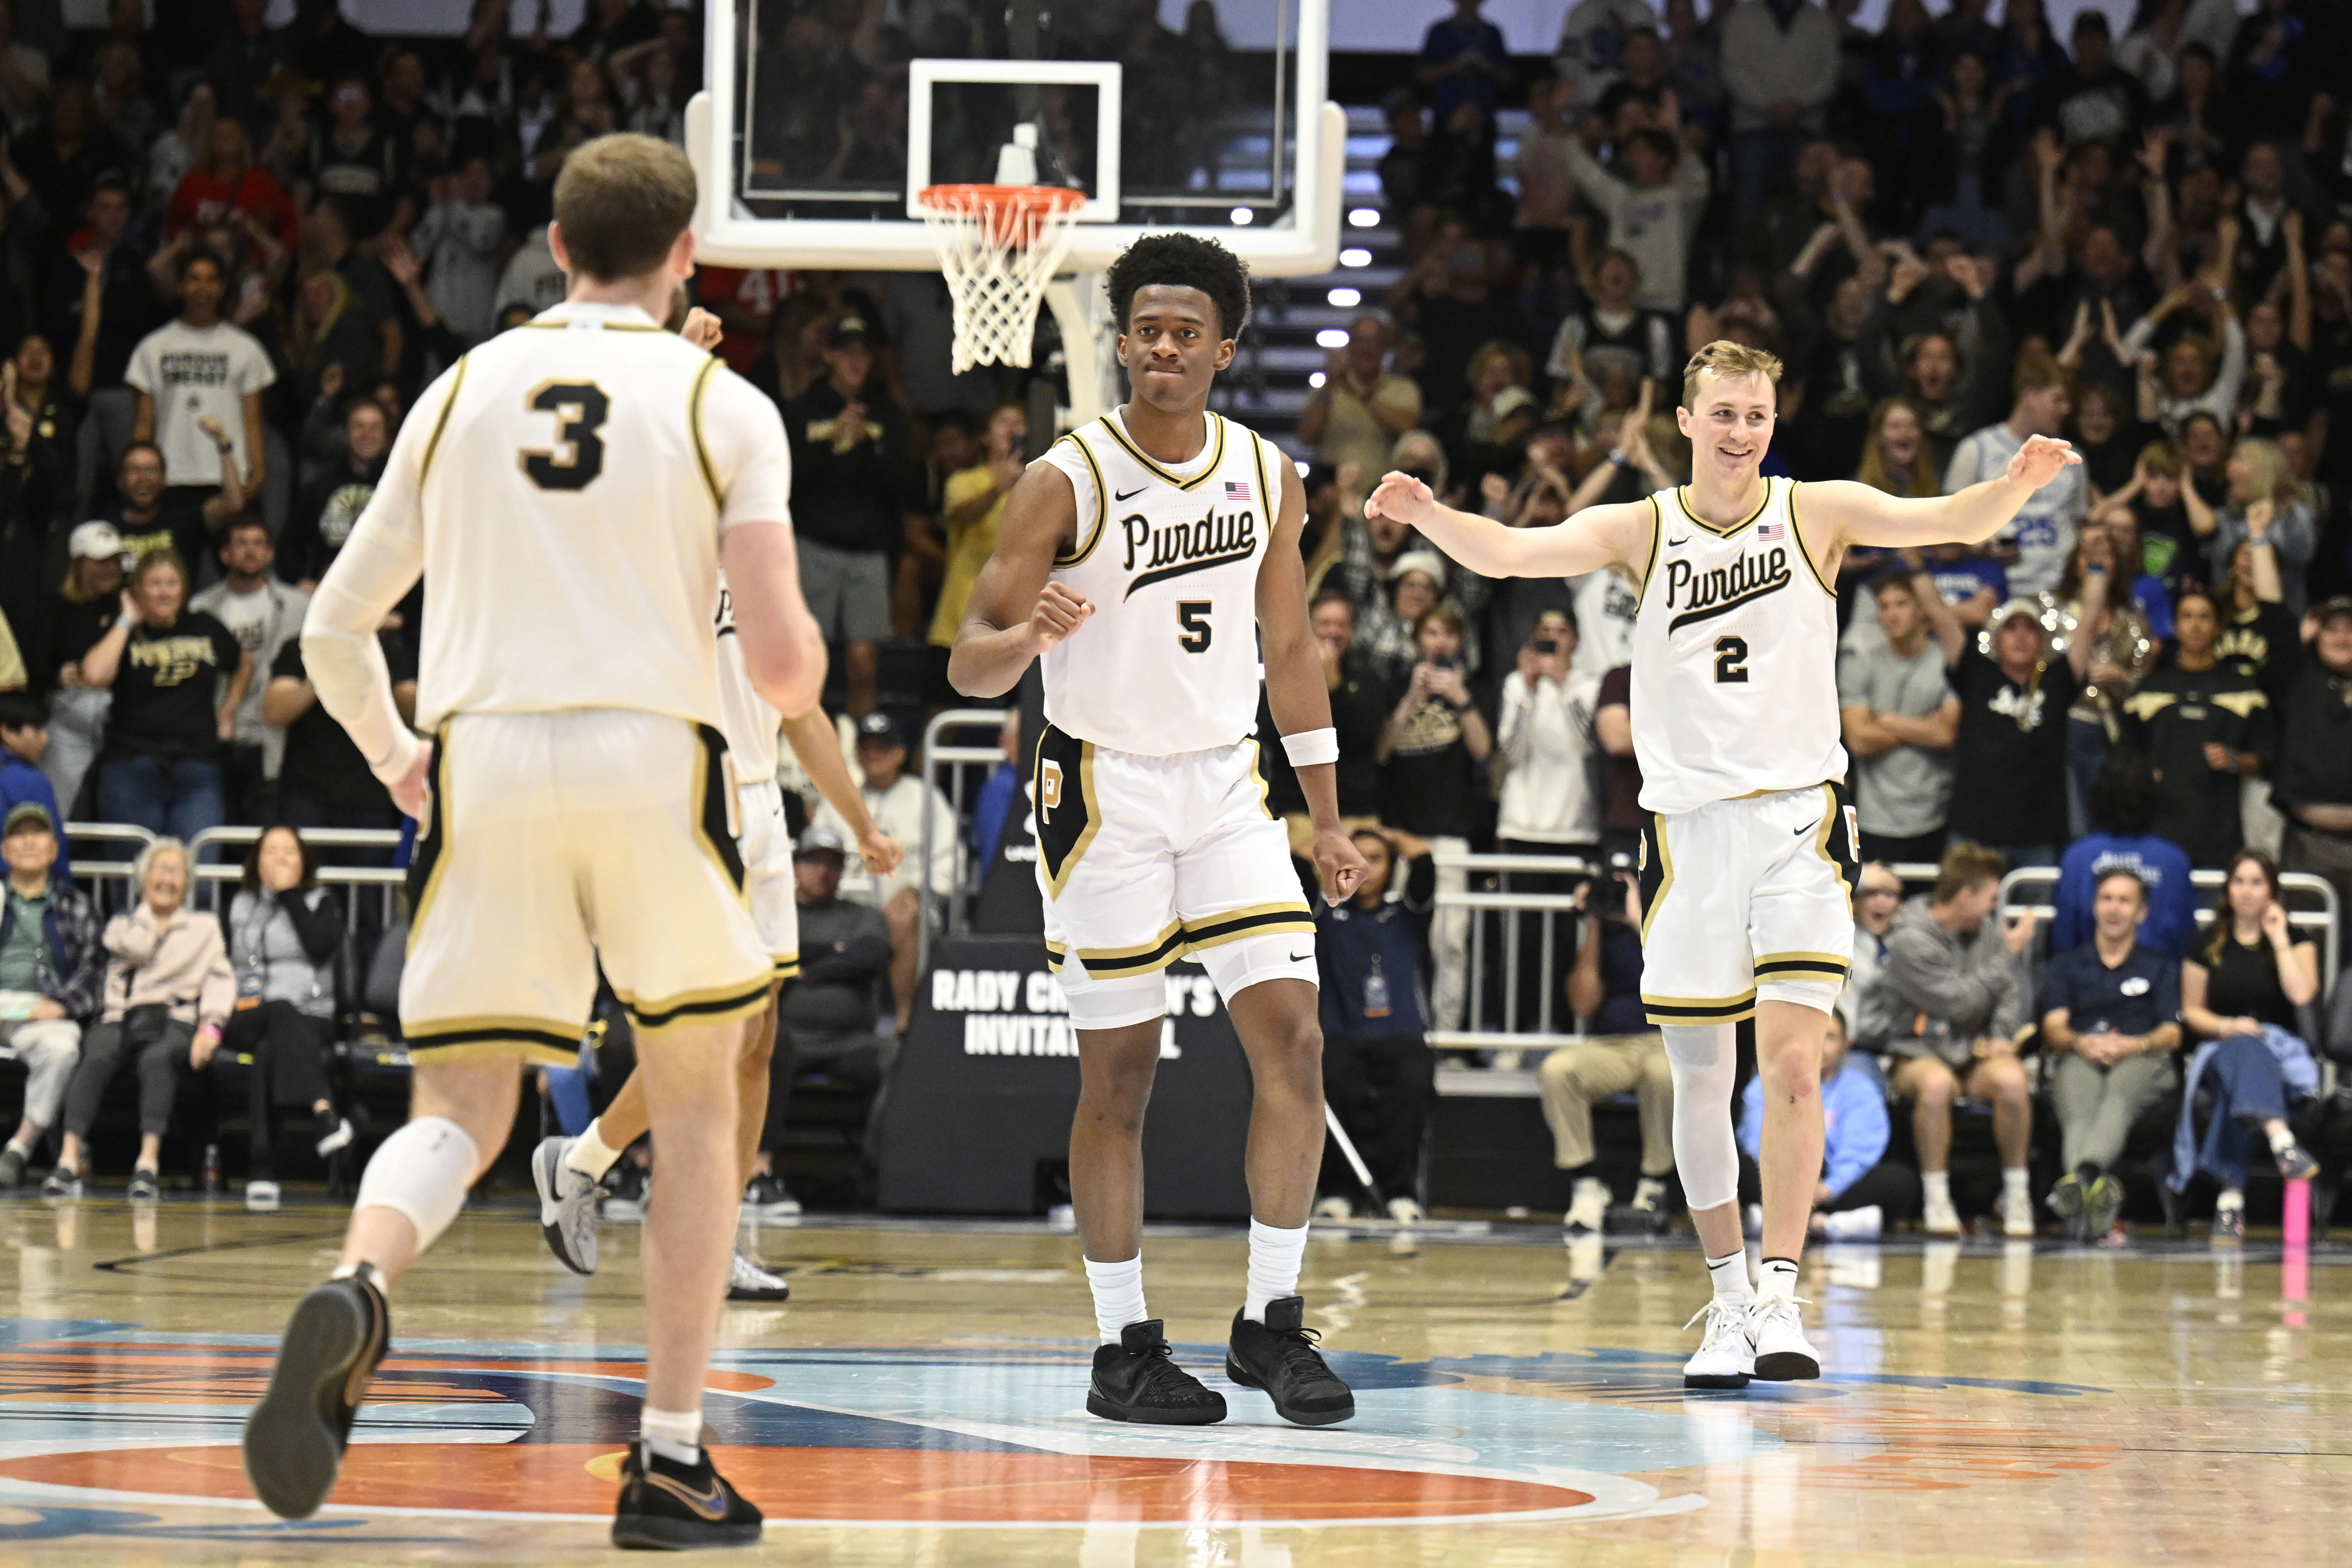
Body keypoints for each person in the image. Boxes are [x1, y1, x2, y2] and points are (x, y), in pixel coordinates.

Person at [239, 135, 826, 1547]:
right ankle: (670, 1457)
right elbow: (791, 667)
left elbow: (332, 630)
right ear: (685, 254)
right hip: (652, 754)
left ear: (553, 248)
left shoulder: (458, 389)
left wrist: (397, 756)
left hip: (484, 759)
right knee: (695, 1108)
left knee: (460, 1110)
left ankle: (363, 1277)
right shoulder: (719, 402)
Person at [1368, 338, 2080, 1388]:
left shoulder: (1815, 511)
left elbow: (1944, 520)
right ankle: (1731, 1296)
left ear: (1771, 424)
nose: (1742, 430)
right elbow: (1516, 552)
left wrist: (2014, 486)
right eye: (1725, 413)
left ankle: (1786, 1292)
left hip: (1799, 820)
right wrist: (1428, 517)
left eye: (1757, 413)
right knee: (1702, 1077)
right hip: (1684, 831)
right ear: (1689, 423)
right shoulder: (1641, 527)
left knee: (1795, 1061)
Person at [950, 232, 1366, 1429]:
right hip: (1101, 792)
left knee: (1294, 1045)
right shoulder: (1062, 479)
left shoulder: (1266, 473)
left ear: (1223, 349)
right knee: (1117, 1079)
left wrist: (1324, 817)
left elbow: (1289, 651)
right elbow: (967, 659)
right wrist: (1022, 639)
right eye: (1147, 328)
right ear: (1121, 341)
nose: (1165, 346)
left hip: (1226, 787)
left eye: (1188, 330)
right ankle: (1121, 1343)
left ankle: (1267, 1324)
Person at [1856, 842, 2037, 1238]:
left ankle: (2016, 1192)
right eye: (1990, 898)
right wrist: (2007, 957)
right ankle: (1937, 1195)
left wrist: (2003, 1037)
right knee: (1936, 1085)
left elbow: (2014, 991)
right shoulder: (1910, 939)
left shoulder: (1985, 933)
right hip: (1917, 1051)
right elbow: (1959, 1002)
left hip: (1975, 1052)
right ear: (1966, 895)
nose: (1993, 909)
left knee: (2012, 1080)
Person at [43, 836, 232, 1201]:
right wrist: (151, 920)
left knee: (158, 1058)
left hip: (175, 1016)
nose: (167, 879)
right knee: (96, 1054)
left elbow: (220, 982)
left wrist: (211, 1028)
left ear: (188, 883)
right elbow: (140, 948)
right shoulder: (122, 925)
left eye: (176, 872)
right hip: (122, 1015)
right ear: (143, 880)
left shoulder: (205, 927)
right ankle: (68, 1157)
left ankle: (148, 1162)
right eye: (160, 870)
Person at [2175, 850, 2322, 1239]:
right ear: (2227, 888)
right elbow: (2192, 1011)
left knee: (2240, 1080)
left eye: (2256, 882)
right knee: (2242, 1046)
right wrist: (2228, 1025)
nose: (2246, 891)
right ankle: (2282, 1140)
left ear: (2272, 889)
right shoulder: (2206, 942)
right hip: (2219, 1047)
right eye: (2239, 881)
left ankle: (2231, 1200)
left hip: (2281, 1054)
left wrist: (2277, 938)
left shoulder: (2297, 939)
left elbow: (2303, 993)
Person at [781, 314, 922, 716]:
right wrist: (830, 442)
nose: (855, 362)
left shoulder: (887, 414)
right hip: (814, 545)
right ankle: (800, 748)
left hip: (868, 550)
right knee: (808, 658)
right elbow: (785, 478)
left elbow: (905, 485)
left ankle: (862, 746)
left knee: (864, 661)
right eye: (847, 353)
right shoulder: (803, 409)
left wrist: (869, 447)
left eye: (863, 353)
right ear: (829, 356)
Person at [2040, 867, 2182, 1240]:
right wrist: (2080, 1042)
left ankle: (2081, 1178)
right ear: (2094, 906)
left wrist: (2132, 1045)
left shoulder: (2159, 966)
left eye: (2125, 900)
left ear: (2142, 912)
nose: (2114, 908)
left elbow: (2172, 1031)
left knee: (2117, 1097)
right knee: (2078, 1110)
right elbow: (2054, 1027)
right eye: (2107, 899)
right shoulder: (2067, 964)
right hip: (2081, 1052)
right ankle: (2091, 1205)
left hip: (2143, 1057)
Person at [216, 825, 351, 1207]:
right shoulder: (239, 904)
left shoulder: (324, 903)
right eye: (271, 851)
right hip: (247, 1012)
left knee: (268, 1051)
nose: (279, 859)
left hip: (311, 1016)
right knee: (273, 1012)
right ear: (257, 862)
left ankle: (262, 1169)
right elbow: (225, 967)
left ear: (304, 861)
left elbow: (321, 946)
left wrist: (290, 896)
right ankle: (324, 1112)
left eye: (289, 852)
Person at [78, 549, 251, 842]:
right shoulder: (123, 631)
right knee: (134, 878)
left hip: (198, 767)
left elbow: (244, 661)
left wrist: (229, 709)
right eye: (155, 583)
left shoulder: (204, 625)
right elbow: (94, 675)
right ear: (137, 591)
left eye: (172, 583)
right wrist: (128, 619)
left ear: (184, 589)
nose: (164, 592)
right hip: (131, 766)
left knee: (202, 877)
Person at [1313, 826, 1437, 1225]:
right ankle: (1337, 1192)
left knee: (1413, 1079)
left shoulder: (1408, 912)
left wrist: (1385, 833)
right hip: (1340, 1032)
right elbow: (1299, 856)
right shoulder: (1323, 910)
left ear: (1392, 866)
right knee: (1333, 1080)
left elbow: (1423, 855)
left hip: (1400, 1032)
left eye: (1376, 858)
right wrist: (1340, 836)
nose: (1363, 867)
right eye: (1355, 858)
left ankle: (1399, 1191)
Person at [1539, 867, 1675, 1231]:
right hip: (1611, 1046)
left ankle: (1654, 1182)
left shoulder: (1674, 921)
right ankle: (1586, 1182)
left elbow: (1680, 978)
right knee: (1557, 1070)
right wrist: (1595, 925)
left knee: (1662, 1074)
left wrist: (1638, 921)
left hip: (1666, 1041)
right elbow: (1583, 1004)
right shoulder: (1600, 934)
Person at [813, 713, 957, 1032]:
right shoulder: (840, 796)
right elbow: (814, 850)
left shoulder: (925, 796)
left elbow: (949, 860)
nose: (873, 754)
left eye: (883, 747)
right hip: (844, 903)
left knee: (901, 914)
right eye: (866, 748)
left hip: (906, 905)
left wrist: (917, 889)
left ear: (901, 754)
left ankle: (906, 1019)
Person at [1737, 1010, 1916, 1239]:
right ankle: (1834, 1224)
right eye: (1812, 1035)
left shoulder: (1860, 1090)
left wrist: (1826, 1190)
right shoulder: (1765, 1084)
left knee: (1901, 1180)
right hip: (1777, 1181)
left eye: (1829, 1037)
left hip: (1831, 1186)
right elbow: (1756, 1144)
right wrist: (1786, 1187)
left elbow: (1859, 1153)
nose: (1819, 1045)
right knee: (1733, 1161)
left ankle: (1780, 1221)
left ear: (1846, 1044)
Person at [2121, 586, 2268, 867]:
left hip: (2222, 837)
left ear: (2219, 627)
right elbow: (2125, 753)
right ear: (2174, 626)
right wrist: (2140, 772)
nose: (2195, 626)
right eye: (2187, 617)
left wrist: (2235, 760)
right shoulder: (2149, 689)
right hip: (2158, 835)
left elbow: (2267, 755)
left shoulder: (2245, 690)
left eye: (2205, 617)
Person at [125, 252, 274, 527]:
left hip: (229, 477)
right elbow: (144, 425)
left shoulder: (246, 348)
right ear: (180, 286)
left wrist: (257, 473)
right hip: (171, 477)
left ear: (221, 288)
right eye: (193, 280)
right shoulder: (153, 347)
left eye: (210, 280)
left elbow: (252, 421)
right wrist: (141, 475)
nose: (202, 289)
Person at [0, 802, 100, 1189]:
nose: (28, 842)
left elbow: (94, 970)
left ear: (54, 849)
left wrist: (61, 1006)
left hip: (42, 1012)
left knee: (63, 1047)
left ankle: (19, 1149)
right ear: (4, 850)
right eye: (18, 834)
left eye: (38, 833)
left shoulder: (76, 905)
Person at [190, 519, 309, 825]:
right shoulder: (200, 608)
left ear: (270, 554)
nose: (251, 551)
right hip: (215, 733)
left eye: (259, 544)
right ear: (225, 554)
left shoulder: (299, 606)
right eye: (241, 544)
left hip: (275, 736)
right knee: (216, 831)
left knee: (265, 832)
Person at [1837, 568, 1958, 865]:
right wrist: (1923, 727)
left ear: (1921, 610)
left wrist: (1889, 722)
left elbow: (1947, 735)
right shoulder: (1862, 663)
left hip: (1934, 816)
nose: (1892, 614)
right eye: (1884, 606)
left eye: (1902, 604)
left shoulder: (1947, 663)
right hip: (1875, 820)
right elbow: (1859, 741)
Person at [1943, 356, 2087, 597]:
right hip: (1995, 592)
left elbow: (2078, 524)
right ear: (2029, 396)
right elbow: (1946, 526)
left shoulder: (2073, 457)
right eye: (2058, 399)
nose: (2066, 409)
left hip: (2060, 593)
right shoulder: (1977, 449)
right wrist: (1983, 549)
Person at [2050, 752, 2198, 958]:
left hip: (2091, 982)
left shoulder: (2077, 857)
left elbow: (2064, 939)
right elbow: (2185, 937)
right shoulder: (2174, 860)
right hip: (2160, 983)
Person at [2267, 598, 2352, 921]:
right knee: (2305, 946)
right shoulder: (2296, 678)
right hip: (2309, 843)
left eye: (2350, 630)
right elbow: (2270, 676)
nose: (2342, 638)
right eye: (2332, 630)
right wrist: (2299, 638)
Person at [1840, 860, 1902, 1035]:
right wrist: (1862, 877)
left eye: (1889, 895)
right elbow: (1824, 894)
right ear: (1857, 900)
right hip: (1847, 1040)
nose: (1881, 902)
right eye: (1872, 893)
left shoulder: (1906, 936)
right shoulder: (1840, 931)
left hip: (1891, 1040)